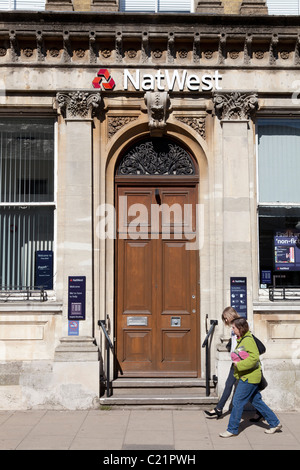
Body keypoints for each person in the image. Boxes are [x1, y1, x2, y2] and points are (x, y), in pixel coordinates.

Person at [219, 317, 282, 438]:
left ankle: (232, 429)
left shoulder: (248, 340)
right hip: (248, 376)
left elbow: (254, 358)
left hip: (249, 377)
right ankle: (275, 423)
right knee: (256, 401)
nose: (232, 330)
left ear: (240, 329)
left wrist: (239, 364)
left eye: (234, 328)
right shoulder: (242, 339)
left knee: (237, 402)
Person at [204, 306, 239, 419]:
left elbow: (243, 343)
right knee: (230, 385)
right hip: (235, 361)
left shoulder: (240, 325)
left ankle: (262, 412)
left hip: (240, 362)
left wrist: (237, 357)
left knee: (248, 390)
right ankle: (219, 408)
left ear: (230, 315)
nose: (225, 321)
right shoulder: (233, 327)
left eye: (226, 318)